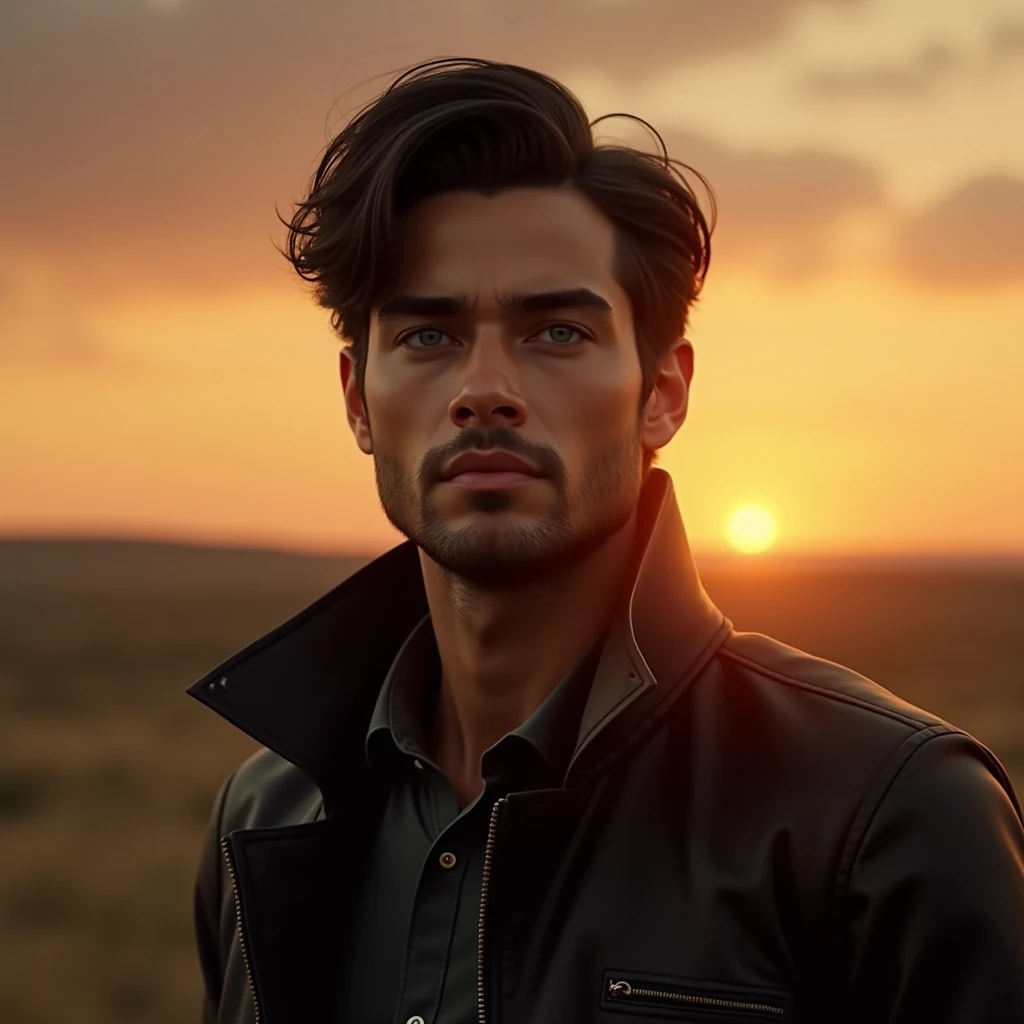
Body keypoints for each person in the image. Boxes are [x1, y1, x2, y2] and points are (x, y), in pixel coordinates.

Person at [188, 57, 1024, 1024]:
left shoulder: (889, 813)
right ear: (355, 400)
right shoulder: (270, 816)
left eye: (557, 333)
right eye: (427, 336)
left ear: (662, 393)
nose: (484, 387)